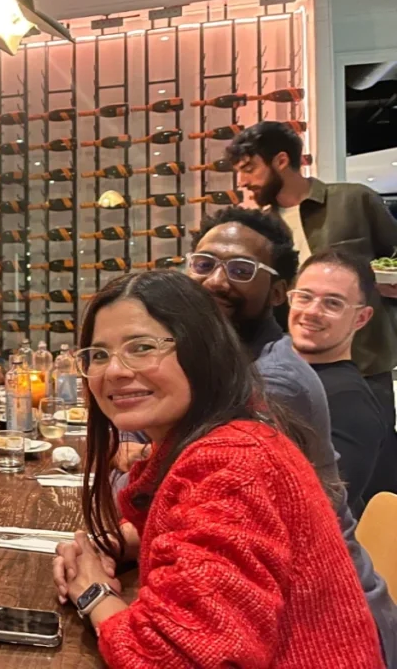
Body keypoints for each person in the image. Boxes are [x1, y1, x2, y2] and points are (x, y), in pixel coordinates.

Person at [51, 270, 383, 668]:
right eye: (99, 354)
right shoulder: (224, 437)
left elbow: (178, 659)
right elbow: (199, 529)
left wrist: (93, 593)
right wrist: (120, 542)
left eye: (141, 347)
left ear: (203, 351)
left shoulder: (234, 460)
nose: (115, 371)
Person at [113, 206, 397, 665]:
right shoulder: (228, 365)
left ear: (278, 292)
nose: (215, 281)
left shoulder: (271, 382)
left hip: (326, 627)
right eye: (203, 264)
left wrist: (93, 593)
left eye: (241, 270)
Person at [228, 120, 397, 419]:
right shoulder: (263, 229)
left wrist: (383, 284)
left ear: (281, 160)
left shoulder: (353, 200)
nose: (241, 181)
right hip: (296, 366)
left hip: (365, 359)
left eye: (249, 168)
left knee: (379, 449)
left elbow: (393, 252)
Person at [288, 249, 397, 518]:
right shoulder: (273, 363)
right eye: (304, 297)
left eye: (333, 303)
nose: (312, 311)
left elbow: (318, 514)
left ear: (361, 318)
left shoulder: (351, 406)